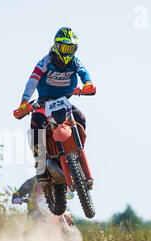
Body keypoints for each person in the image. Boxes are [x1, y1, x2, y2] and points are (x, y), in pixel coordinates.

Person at [15, 27, 96, 181]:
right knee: (36, 121)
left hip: (64, 101)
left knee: (80, 116)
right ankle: (40, 165)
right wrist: (24, 102)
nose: (67, 53)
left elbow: (84, 72)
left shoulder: (75, 62)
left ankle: (77, 152)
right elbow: (32, 81)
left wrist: (88, 84)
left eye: (70, 49)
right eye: (64, 48)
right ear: (56, 46)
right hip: (44, 103)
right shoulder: (45, 61)